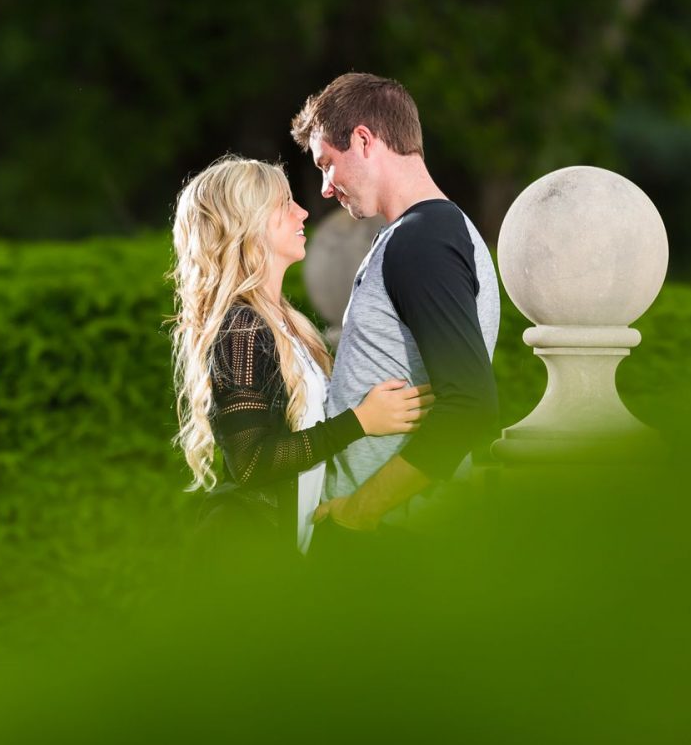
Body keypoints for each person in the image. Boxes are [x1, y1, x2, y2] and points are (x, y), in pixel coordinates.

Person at [167, 155, 435, 557]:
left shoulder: (284, 323)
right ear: (249, 224)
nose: (303, 212)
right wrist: (360, 422)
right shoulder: (241, 328)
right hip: (243, 558)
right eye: (284, 204)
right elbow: (252, 462)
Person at [290, 72, 500, 536]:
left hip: (389, 538)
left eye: (327, 163)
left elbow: (471, 404)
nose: (326, 187)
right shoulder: (423, 234)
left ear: (364, 140)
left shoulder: (422, 241)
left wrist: (360, 509)